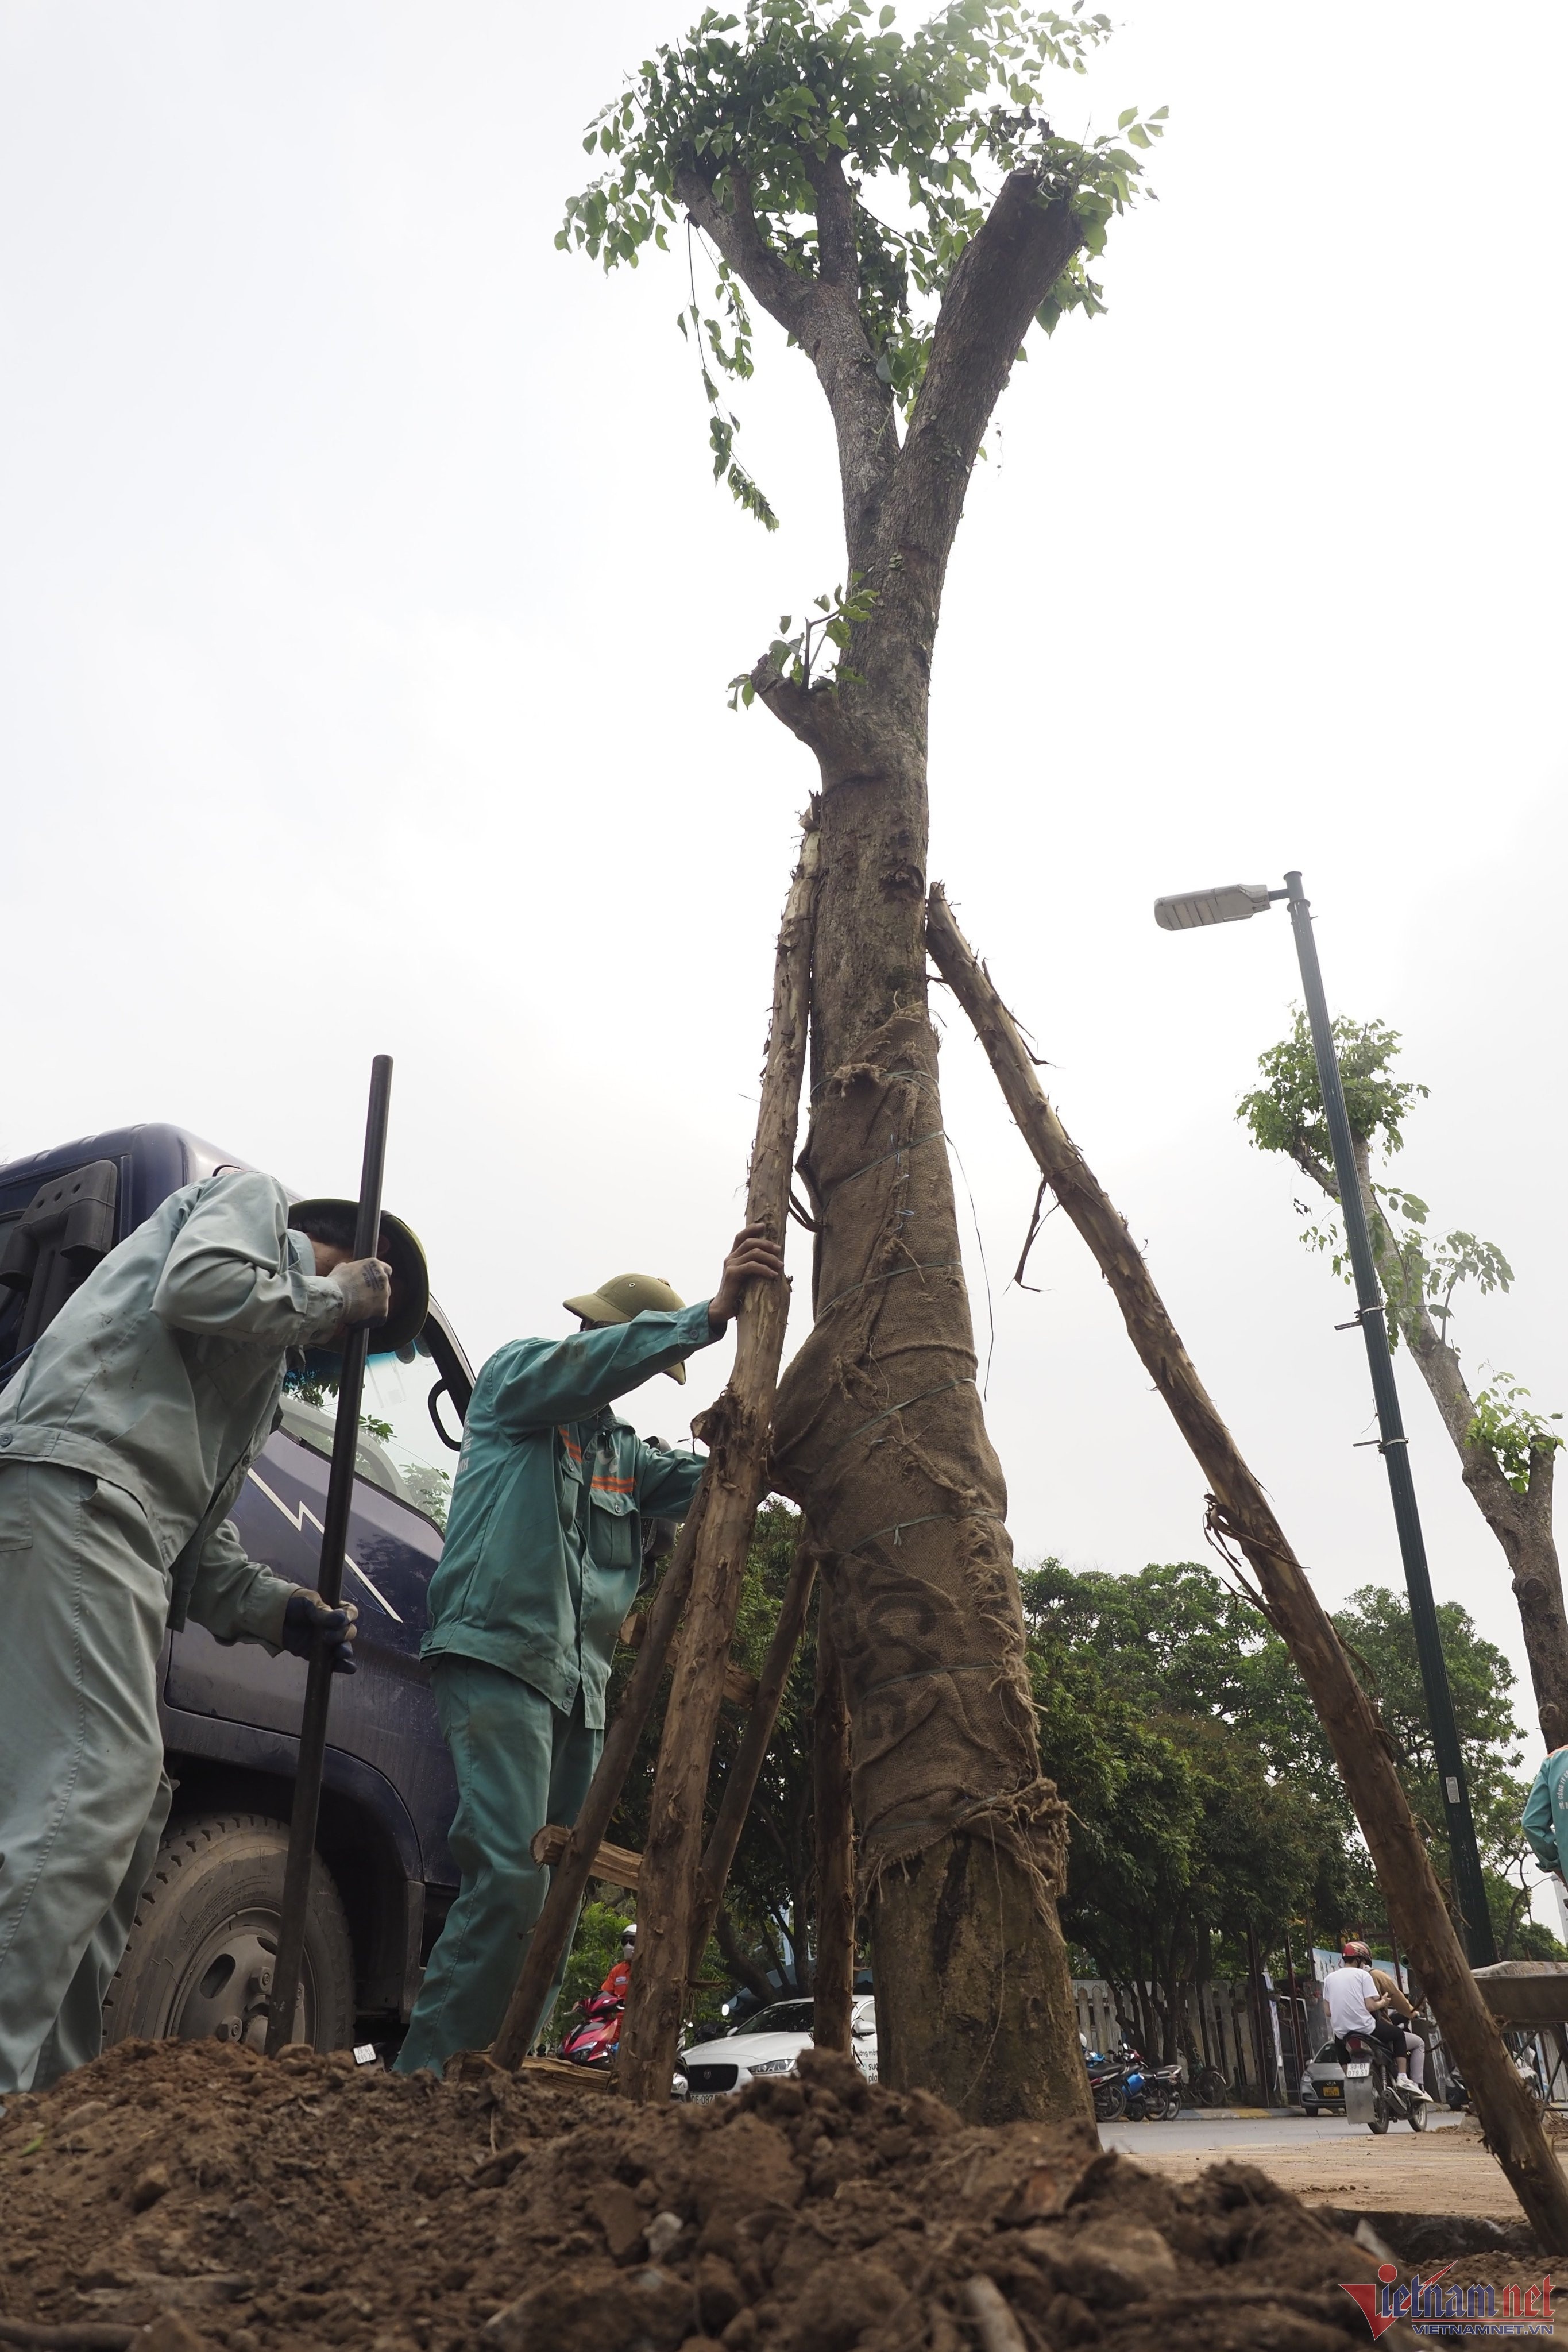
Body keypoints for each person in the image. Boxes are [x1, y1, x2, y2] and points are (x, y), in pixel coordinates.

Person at [0, 1171, 427, 2095]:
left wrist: (283, 1612)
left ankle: (49, 2108)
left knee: (127, 1813)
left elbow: (198, 1555)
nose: (328, 1352)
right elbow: (193, 1284)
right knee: (94, 1782)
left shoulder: (250, 1382)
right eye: (353, 1336)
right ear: (344, 1260)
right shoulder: (252, 1205)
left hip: (114, 1527)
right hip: (78, 1491)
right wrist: (328, 1296)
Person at [395, 1222, 785, 2079]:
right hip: (499, 1655)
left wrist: (770, 1437)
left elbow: (728, 1478)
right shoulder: (519, 1380)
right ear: (604, 1335)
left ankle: (502, 2066)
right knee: (506, 1875)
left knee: (558, 1897)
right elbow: (585, 1372)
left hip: (579, 1693)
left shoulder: (622, 1455)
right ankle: (425, 2081)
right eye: (634, 1352)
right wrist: (704, 1317)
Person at [1323, 1941, 1428, 2096]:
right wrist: (1384, 2003)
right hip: (1367, 2029)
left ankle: (1351, 2078)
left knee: (1340, 2047)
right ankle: (1403, 2078)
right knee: (1398, 2035)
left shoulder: (1329, 1979)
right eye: (1364, 1962)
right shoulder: (1364, 1975)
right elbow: (1371, 2006)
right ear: (1360, 1960)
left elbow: (1328, 2012)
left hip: (1343, 2033)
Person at [601, 1922, 635, 2005]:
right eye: (625, 1941)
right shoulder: (618, 1970)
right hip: (619, 2018)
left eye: (632, 1941)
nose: (628, 1945)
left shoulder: (648, 1969)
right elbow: (603, 1994)